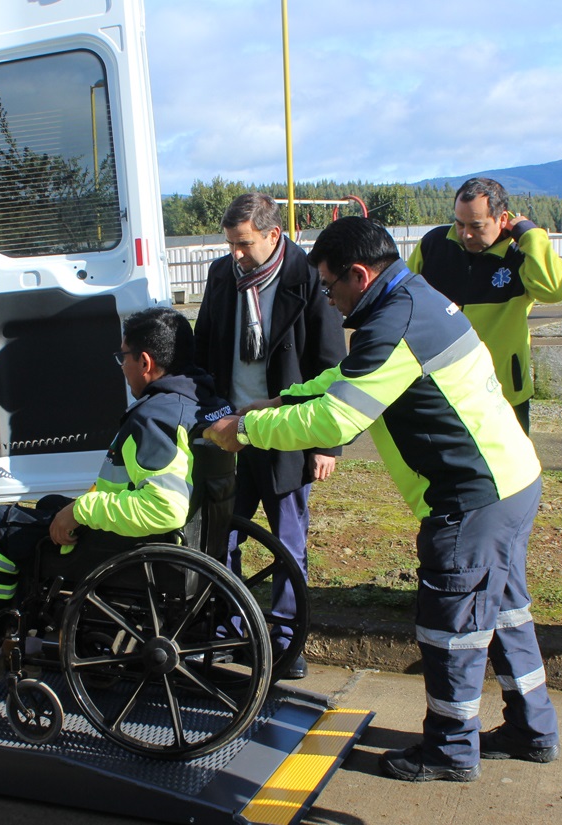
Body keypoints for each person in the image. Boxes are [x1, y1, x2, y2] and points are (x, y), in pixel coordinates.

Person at [206, 216, 559, 782]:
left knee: (452, 630)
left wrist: (246, 431)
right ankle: (532, 727)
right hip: (510, 482)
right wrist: (275, 402)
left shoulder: (396, 322)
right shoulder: (411, 300)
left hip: (470, 500)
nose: (327, 298)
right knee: (505, 613)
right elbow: (347, 378)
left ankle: (449, 751)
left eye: (329, 285)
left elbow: (339, 418)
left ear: (360, 275)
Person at [0, 307, 232, 681]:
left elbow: (164, 508)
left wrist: (81, 511)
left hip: (134, 550)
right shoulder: (208, 403)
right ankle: (23, 631)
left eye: (123, 357)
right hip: (189, 545)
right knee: (48, 506)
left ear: (145, 362)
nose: (122, 367)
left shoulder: (155, 417)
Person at [194, 192, 346, 680]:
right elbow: (203, 350)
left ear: (273, 235)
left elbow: (330, 362)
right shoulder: (222, 275)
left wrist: (327, 444)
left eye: (244, 244)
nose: (235, 255)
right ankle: (228, 628)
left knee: (288, 542)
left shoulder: (308, 277)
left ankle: (286, 641)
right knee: (222, 535)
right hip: (229, 431)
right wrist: (212, 415)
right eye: (230, 245)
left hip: (287, 432)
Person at [407, 177, 562, 433]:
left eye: (476, 225)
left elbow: (554, 290)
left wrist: (530, 234)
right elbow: (404, 301)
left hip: (503, 393)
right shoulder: (433, 245)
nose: (466, 234)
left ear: (502, 219)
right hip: (443, 390)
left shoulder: (521, 254)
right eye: (459, 223)